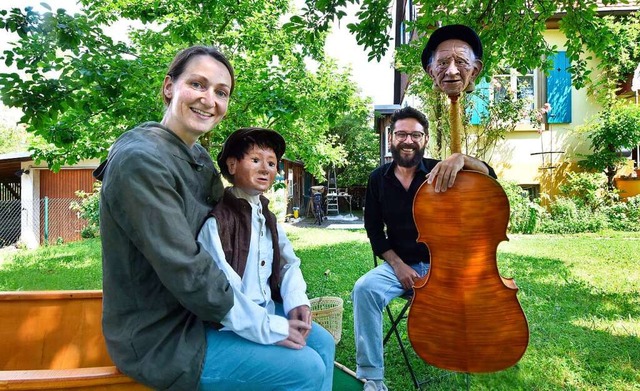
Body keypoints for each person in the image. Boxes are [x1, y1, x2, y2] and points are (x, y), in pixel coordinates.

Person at [352, 25, 496, 391]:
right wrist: (399, 268)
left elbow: (491, 179)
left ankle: (464, 349)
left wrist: (465, 159)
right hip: (400, 267)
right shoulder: (377, 179)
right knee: (363, 289)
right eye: (401, 134)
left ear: (424, 140)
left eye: (415, 135)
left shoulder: (440, 171)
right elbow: (373, 232)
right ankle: (372, 378)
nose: (408, 140)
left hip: (441, 267)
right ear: (391, 138)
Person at [94, 46, 236, 391]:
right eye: (197, 84)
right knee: (301, 367)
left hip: (197, 313)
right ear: (169, 87)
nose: (209, 100)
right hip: (161, 338)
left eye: (221, 92)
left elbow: (223, 227)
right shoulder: (141, 161)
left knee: (319, 342)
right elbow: (184, 266)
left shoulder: (197, 156)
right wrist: (252, 317)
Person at [196, 127, 335, 390]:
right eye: (256, 160)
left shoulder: (265, 215)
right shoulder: (219, 223)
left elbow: (288, 262)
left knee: (324, 343)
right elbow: (223, 293)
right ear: (233, 164)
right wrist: (271, 328)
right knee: (308, 367)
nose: (266, 169)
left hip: (264, 313)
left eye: (271, 163)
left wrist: (297, 302)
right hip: (226, 327)